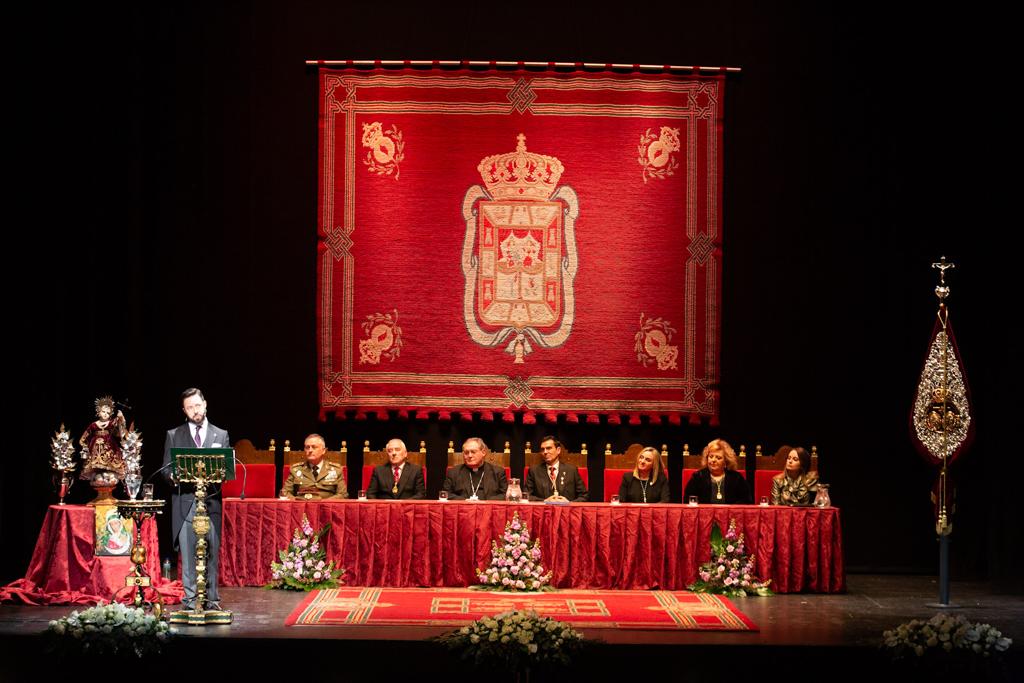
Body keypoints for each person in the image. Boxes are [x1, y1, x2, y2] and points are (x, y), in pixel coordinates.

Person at [162, 388, 230, 611]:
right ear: (184, 410)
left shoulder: (220, 434)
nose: (195, 411)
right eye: (189, 407)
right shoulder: (174, 434)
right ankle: (190, 602)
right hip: (185, 502)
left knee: (211, 552)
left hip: (211, 503)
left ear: (205, 404)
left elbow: (227, 469)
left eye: (197, 405)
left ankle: (212, 600)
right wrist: (172, 476)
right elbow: (165, 470)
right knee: (189, 555)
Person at [279, 434, 348, 500]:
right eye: (307, 447)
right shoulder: (296, 470)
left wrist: (323, 503)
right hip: (302, 508)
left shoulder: (336, 470)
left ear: (323, 451)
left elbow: (343, 494)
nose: (310, 450)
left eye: (314, 447)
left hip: (326, 509)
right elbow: (285, 493)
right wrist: (299, 502)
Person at [684, 438, 750, 504]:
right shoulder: (698, 477)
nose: (713, 460)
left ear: (726, 461)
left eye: (718, 458)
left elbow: (746, 501)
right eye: (711, 456)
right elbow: (688, 502)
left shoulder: (736, 478)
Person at [442, 437, 507, 500]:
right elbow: (445, 494)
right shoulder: (453, 472)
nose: (469, 456)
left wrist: (486, 503)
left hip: (488, 509)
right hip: (464, 509)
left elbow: (505, 494)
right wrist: (465, 501)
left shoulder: (498, 472)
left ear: (483, 452)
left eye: (473, 452)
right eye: (466, 452)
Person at [525, 436, 587, 502]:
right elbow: (526, 496)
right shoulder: (534, 471)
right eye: (542, 449)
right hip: (544, 511)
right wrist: (545, 501)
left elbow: (584, 496)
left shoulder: (571, 470)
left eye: (549, 448)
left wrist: (569, 503)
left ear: (558, 450)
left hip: (566, 511)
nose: (545, 452)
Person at [79, 396, 127, 481]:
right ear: (98, 411)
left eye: (108, 413)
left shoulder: (112, 423)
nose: (105, 414)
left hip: (109, 447)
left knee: (109, 463)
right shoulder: (93, 425)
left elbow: (120, 433)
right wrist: (85, 447)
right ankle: (98, 476)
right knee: (97, 472)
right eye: (103, 411)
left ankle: (108, 476)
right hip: (95, 450)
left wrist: (121, 418)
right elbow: (84, 437)